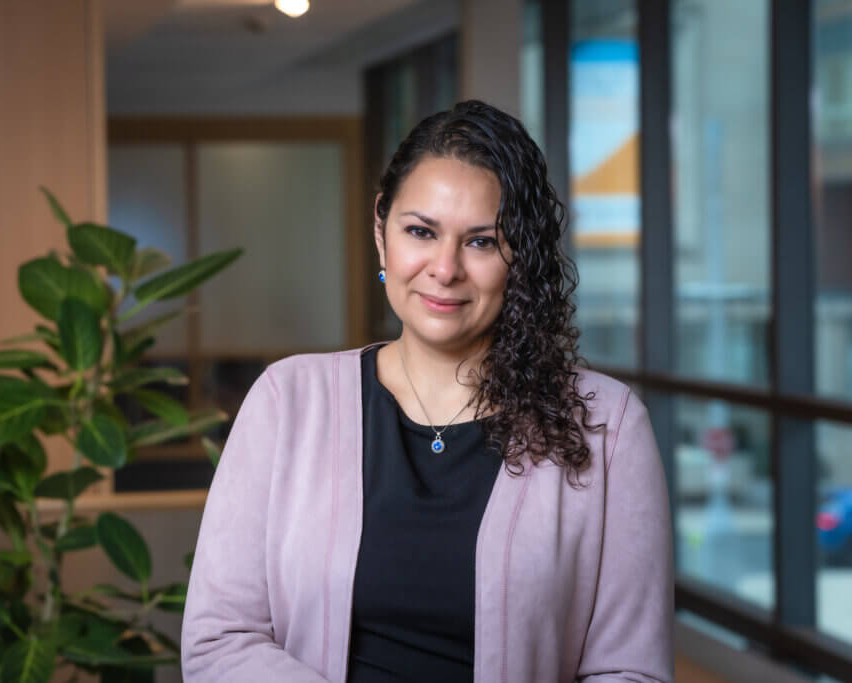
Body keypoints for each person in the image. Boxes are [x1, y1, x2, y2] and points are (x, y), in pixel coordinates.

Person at [181, 100, 673, 683]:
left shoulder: (606, 425)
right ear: (381, 232)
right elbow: (220, 642)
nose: (444, 268)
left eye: (482, 242)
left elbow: (631, 671)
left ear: (521, 256)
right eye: (420, 231)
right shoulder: (288, 401)